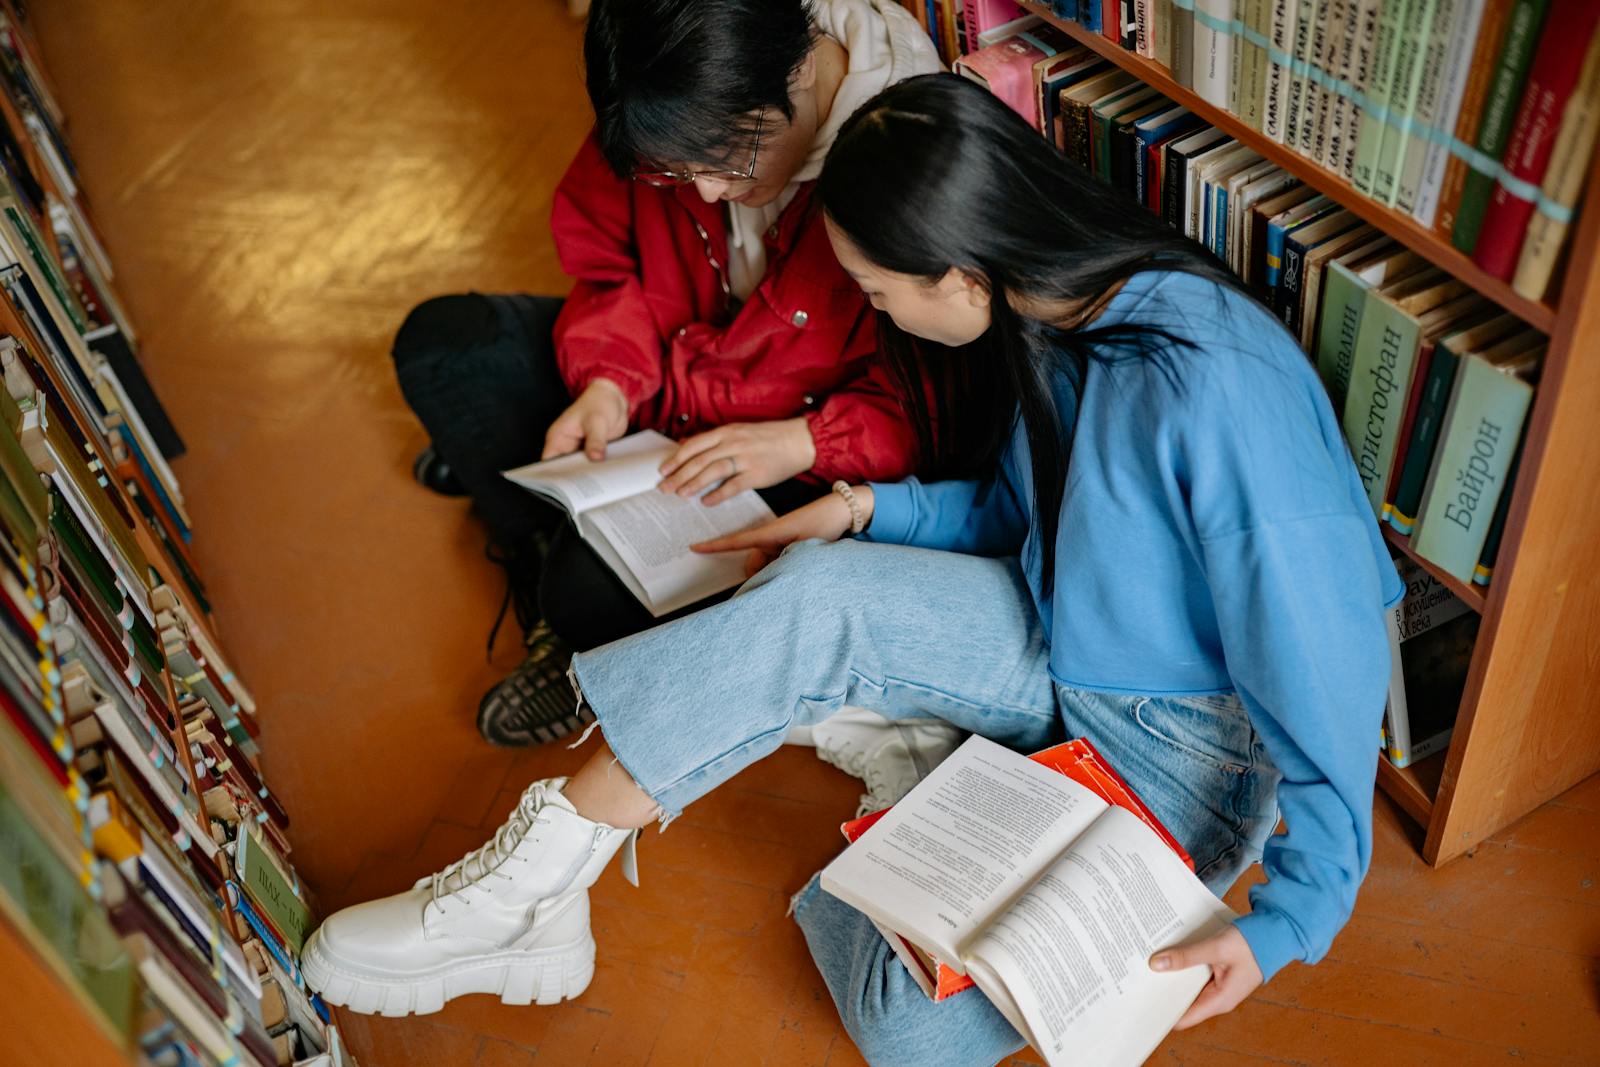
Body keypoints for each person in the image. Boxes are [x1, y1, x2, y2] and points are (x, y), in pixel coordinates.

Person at [306, 75, 1402, 1063]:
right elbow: (1038, 517)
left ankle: (954, 782)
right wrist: (867, 508)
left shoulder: (1213, 384)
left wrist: (1290, 919)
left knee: (902, 1024)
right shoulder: (1048, 307)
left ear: (957, 273)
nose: (875, 312)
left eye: (877, 292)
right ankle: (527, 889)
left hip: (1184, 744)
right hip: (1051, 635)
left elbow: (1329, 655)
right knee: (820, 591)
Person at [392, 0, 939, 747]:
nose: (707, 190)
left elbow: (938, 401)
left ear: (802, 68)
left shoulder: (906, 160)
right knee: (443, 347)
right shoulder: (663, 96)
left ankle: (552, 578)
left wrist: (807, 441)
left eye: (729, 155)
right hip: (665, 390)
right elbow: (608, 262)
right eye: (675, 171)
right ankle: (545, 546)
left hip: (793, 451)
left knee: (583, 593)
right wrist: (608, 381)